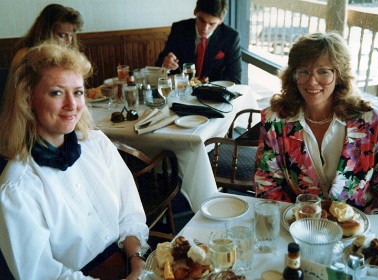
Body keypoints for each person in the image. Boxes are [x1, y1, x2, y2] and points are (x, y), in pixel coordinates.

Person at [0, 43, 149, 279]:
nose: (72, 105)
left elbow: (129, 213)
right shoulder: (16, 186)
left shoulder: (96, 143)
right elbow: (40, 274)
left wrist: (137, 262)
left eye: (78, 92)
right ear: (28, 98)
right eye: (57, 92)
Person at [254, 32, 378, 214]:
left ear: (339, 76)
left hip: (359, 228)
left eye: (323, 72)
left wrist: (365, 232)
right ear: (293, 75)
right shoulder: (276, 120)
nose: (312, 81)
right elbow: (267, 186)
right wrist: (297, 222)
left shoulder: (374, 124)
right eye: (303, 71)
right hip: (299, 225)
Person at [156, 0, 242, 84]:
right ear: (195, 11)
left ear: (221, 21)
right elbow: (160, 63)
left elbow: (235, 79)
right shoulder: (179, 28)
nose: (205, 28)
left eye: (212, 24)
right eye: (202, 20)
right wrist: (165, 64)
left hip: (213, 93)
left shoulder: (231, 37)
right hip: (181, 90)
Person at [10, 4, 83, 70]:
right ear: (44, 32)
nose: (69, 41)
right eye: (62, 35)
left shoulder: (64, 56)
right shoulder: (23, 55)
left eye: (71, 36)